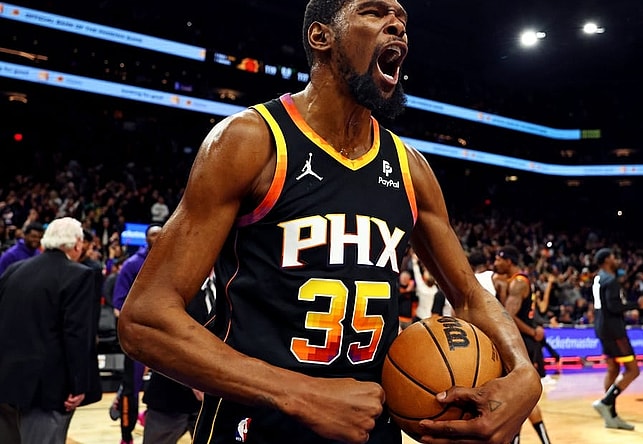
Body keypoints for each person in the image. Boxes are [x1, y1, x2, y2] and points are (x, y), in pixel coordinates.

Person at [117, 1, 541, 443]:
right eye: (374, 12)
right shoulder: (251, 141)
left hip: (369, 427)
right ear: (321, 37)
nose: (397, 24)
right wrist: (299, 392)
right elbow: (146, 319)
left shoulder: (410, 167)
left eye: (401, 18)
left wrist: (524, 373)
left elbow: (471, 296)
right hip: (255, 426)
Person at [0, 217, 101, 444]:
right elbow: (76, 334)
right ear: (77, 245)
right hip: (48, 388)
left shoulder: (14, 270)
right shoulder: (79, 275)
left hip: (7, 383)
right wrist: (78, 384)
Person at [141, 272, 215, 444]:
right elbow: (158, 343)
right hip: (170, 396)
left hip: (214, 401)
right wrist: (193, 379)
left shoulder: (231, 286)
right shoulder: (168, 287)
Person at [493, 245, 553, 444]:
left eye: (498, 260)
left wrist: (532, 333)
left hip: (523, 341)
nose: (495, 263)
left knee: (519, 396)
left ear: (508, 261)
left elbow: (508, 316)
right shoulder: (516, 281)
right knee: (520, 397)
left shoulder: (518, 283)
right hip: (522, 339)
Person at [112, 223, 162, 444]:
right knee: (131, 390)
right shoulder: (132, 265)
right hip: (138, 338)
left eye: (161, 234)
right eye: (153, 235)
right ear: (145, 239)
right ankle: (126, 434)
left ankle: (150, 416)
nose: (158, 238)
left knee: (164, 384)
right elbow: (118, 305)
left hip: (163, 335)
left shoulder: (170, 262)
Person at [590, 248, 639, 431]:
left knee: (613, 369)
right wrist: (635, 306)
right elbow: (614, 306)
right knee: (633, 370)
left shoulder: (597, 278)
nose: (615, 259)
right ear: (605, 261)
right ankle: (605, 402)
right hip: (614, 330)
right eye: (612, 257)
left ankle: (611, 416)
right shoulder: (611, 280)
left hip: (601, 327)